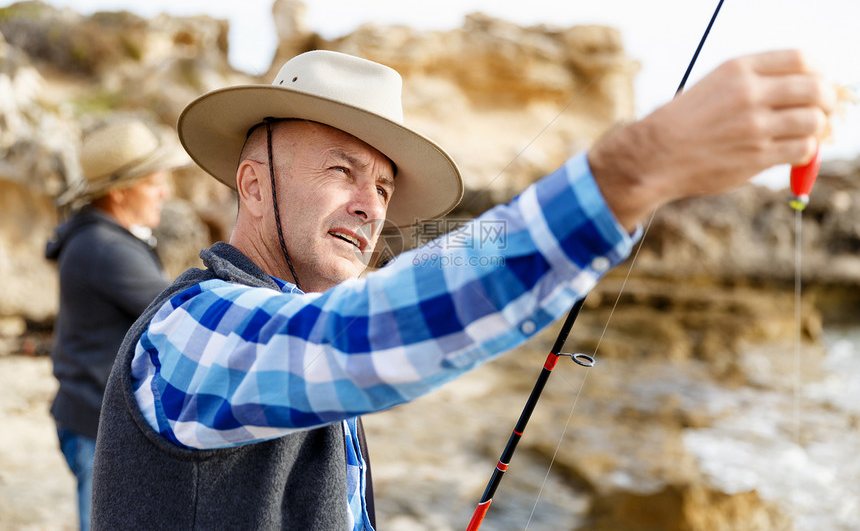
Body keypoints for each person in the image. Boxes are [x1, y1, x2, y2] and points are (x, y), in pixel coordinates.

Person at [91, 49, 835, 530]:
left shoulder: (296, 328)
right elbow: (364, 336)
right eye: (342, 170)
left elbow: (450, 257)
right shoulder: (192, 330)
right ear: (252, 185)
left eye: (383, 186)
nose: (371, 205)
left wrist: (628, 207)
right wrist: (629, 172)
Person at [46, 118, 191, 531]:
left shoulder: (99, 237)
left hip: (85, 411)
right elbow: (176, 312)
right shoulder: (105, 248)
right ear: (119, 190)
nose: (164, 192)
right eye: (152, 182)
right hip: (94, 423)